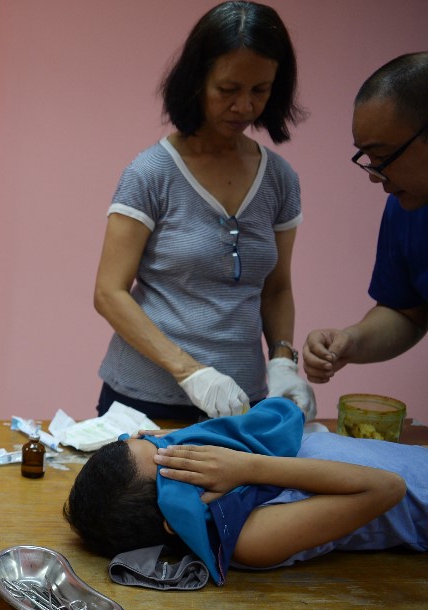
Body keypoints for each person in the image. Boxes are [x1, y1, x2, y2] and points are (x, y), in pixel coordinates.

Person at [94, 1, 316, 424]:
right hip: (145, 403)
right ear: (197, 81)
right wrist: (189, 371)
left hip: (241, 404)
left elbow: (277, 289)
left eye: (260, 90)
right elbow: (109, 293)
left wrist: (284, 361)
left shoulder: (280, 179)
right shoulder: (151, 173)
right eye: (228, 89)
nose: (244, 107)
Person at [63, 397, 425, 585]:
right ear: (175, 520)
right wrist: (250, 466)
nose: (178, 444)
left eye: (162, 442)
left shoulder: (228, 469)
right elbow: (388, 486)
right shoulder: (250, 539)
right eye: (170, 459)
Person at [303, 53, 428, 382]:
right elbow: (408, 312)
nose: (375, 176)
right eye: (368, 158)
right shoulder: (406, 206)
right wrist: (353, 341)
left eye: (384, 157)